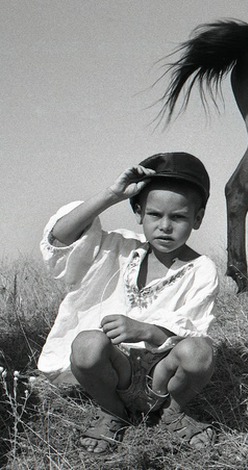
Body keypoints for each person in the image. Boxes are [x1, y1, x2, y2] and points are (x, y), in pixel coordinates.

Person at [38, 152, 219, 453]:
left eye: (178, 217)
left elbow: (191, 334)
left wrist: (146, 331)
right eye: (154, 214)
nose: (165, 226)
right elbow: (60, 240)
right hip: (112, 371)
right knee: (86, 344)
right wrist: (112, 195)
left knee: (200, 351)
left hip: (162, 379)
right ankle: (112, 412)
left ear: (197, 219)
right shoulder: (117, 248)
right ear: (138, 212)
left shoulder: (201, 269)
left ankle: (172, 414)